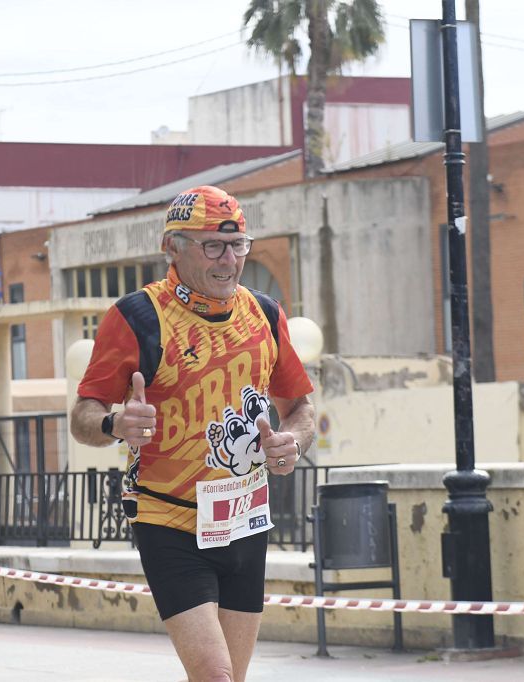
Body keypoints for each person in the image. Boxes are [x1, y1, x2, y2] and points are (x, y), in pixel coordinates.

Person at [70, 185, 315, 681]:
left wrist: (292, 442)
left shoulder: (265, 314)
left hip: (245, 520)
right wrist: (115, 424)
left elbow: (301, 410)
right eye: (213, 246)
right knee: (215, 675)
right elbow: (82, 416)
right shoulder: (138, 317)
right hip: (170, 522)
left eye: (238, 245)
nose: (229, 260)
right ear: (172, 248)